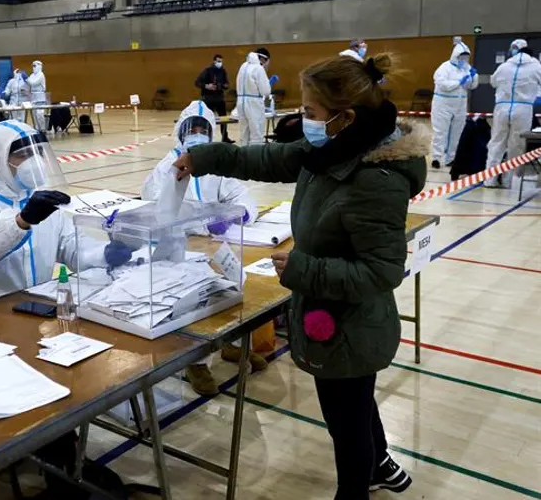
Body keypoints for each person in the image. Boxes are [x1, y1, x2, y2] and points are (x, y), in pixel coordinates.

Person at [175, 54, 423, 499]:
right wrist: (204, 157)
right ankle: (380, 461)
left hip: (350, 323)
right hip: (330, 312)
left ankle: (356, 488)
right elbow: (268, 159)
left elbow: (382, 271)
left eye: (309, 113)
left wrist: (304, 268)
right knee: (355, 402)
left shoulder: (375, 181)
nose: (300, 120)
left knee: (345, 420)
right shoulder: (333, 150)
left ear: (343, 118)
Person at [0, 120, 131, 311]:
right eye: (22, 155)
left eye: (37, 153)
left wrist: (103, 253)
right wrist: (20, 222)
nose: (33, 161)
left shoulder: (44, 201)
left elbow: (71, 246)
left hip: (35, 306)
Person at [141, 101, 263, 396]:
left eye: (202, 129)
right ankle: (196, 360)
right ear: (179, 132)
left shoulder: (216, 165)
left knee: (234, 291)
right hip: (179, 248)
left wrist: (239, 213)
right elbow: (160, 209)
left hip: (217, 246)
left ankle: (232, 345)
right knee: (194, 303)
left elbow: (242, 196)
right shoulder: (164, 168)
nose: (196, 134)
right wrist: (203, 222)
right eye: (191, 129)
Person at [486, 39, 541, 188]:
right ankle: (507, 180)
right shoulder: (536, 66)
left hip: (502, 107)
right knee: (516, 145)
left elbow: (493, 82)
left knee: (496, 143)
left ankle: (489, 180)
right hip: (523, 109)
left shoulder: (504, 66)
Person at [430, 39, 478, 169]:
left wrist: (474, 76)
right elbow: (443, 84)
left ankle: (451, 158)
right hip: (443, 103)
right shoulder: (444, 67)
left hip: (460, 104)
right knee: (440, 131)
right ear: (455, 55)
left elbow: (472, 86)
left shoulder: (466, 68)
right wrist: (458, 82)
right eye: (461, 56)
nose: (463, 59)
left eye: (466, 57)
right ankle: (437, 158)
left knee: (457, 132)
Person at [235, 48, 275, 146]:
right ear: (264, 59)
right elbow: (266, 91)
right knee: (256, 133)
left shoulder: (243, 66)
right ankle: (255, 159)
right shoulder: (258, 68)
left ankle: (244, 157)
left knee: (244, 133)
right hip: (253, 104)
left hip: (240, 102)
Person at [195, 54, 233, 143]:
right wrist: (207, 86)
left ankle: (225, 137)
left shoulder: (223, 71)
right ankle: (206, 137)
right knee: (208, 118)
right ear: (214, 61)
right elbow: (197, 82)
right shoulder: (207, 71)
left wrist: (223, 86)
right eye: (218, 61)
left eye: (221, 61)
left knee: (224, 118)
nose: (220, 63)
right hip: (209, 98)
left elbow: (227, 84)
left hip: (219, 98)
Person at [27, 60, 48, 131]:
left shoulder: (41, 74)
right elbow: (28, 83)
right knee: (34, 114)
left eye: (34, 66)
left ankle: (42, 129)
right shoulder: (32, 75)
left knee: (39, 114)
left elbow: (33, 83)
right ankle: (37, 129)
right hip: (33, 95)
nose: (33, 68)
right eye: (32, 66)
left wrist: (26, 78)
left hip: (40, 95)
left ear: (39, 66)